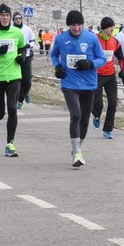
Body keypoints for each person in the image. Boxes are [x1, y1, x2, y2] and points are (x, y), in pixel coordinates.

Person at [50, 9, 106, 166]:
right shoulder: (61, 39)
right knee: (76, 115)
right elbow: (53, 55)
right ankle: (76, 154)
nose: (76, 28)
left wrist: (90, 64)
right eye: (73, 25)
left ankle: (77, 148)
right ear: (68, 25)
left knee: (85, 119)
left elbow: (102, 58)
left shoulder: (91, 38)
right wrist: (58, 67)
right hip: (69, 84)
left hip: (89, 84)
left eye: (79, 24)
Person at [0, 3, 26, 157]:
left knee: (12, 109)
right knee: (0, 113)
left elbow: (23, 47)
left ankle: (10, 144)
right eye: (2, 15)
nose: (5, 18)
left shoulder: (17, 32)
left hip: (14, 76)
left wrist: (22, 56)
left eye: (7, 15)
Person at [91, 16, 121, 139]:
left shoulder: (115, 41)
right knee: (98, 104)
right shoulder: (95, 40)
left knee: (113, 103)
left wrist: (123, 69)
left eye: (113, 26)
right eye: (110, 27)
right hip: (97, 74)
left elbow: (121, 57)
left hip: (110, 75)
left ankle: (108, 130)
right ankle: (96, 115)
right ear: (103, 28)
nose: (112, 29)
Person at [13, 11, 36, 108]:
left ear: (22, 19)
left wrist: (29, 45)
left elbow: (33, 40)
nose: (18, 20)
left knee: (27, 80)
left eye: (19, 18)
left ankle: (26, 92)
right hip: (14, 57)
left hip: (26, 56)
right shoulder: (11, 29)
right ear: (13, 20)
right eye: (16, 19)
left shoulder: (27, 29)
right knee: (17, 80)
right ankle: (20, 100)